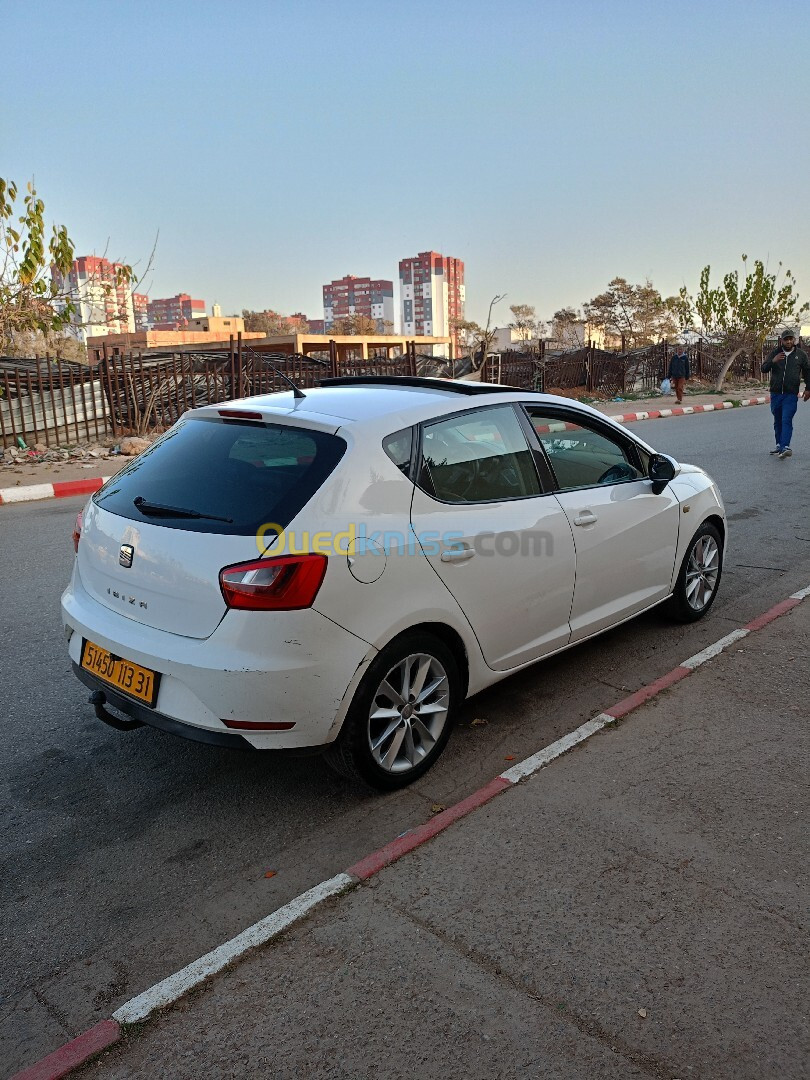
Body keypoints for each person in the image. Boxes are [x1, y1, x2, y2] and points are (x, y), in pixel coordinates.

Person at [761, 329, 810, 458]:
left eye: (790, 339)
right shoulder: (775, 353)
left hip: (791, 394)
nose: (788, 341)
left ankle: (785, 447)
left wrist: (808, 388)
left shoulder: (801, 355)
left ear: (794, 340)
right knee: (777, 420)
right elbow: (763, 368)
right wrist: (773, 361)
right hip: (776, 393)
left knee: (786, 419)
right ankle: (779, 445)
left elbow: (807, 373)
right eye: (786, 339)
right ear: (781, 340)